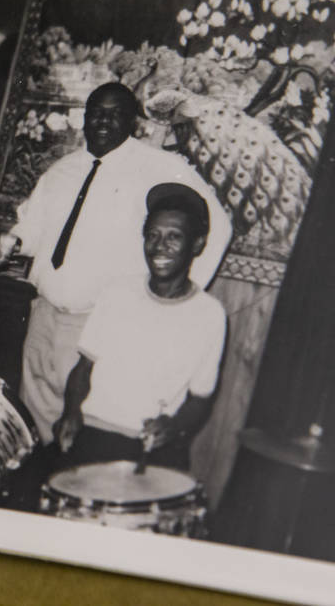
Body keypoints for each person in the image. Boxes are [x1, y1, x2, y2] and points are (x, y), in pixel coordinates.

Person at [3, 82, 231, 444]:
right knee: (32, 426)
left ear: (133, 122)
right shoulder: (62, 170)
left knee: (77, 431)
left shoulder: (158, 167)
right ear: (84, 117)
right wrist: (13, 240)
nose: (103, 121)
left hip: (94, 326)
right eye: (96, 112)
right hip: (43, 314)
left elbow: (217, 223)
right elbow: (32, 225)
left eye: (115, 114)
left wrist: (180, 294)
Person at [51, 183, 227, 470]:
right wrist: (70, 412)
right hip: (93, 432)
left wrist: (173, 427)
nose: (160, 246)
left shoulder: (209, 315)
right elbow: (83, 369)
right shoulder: (117, 292)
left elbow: (200, 400)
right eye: (153, 235)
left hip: (150, 445)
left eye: (174, 237)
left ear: (197, 244)